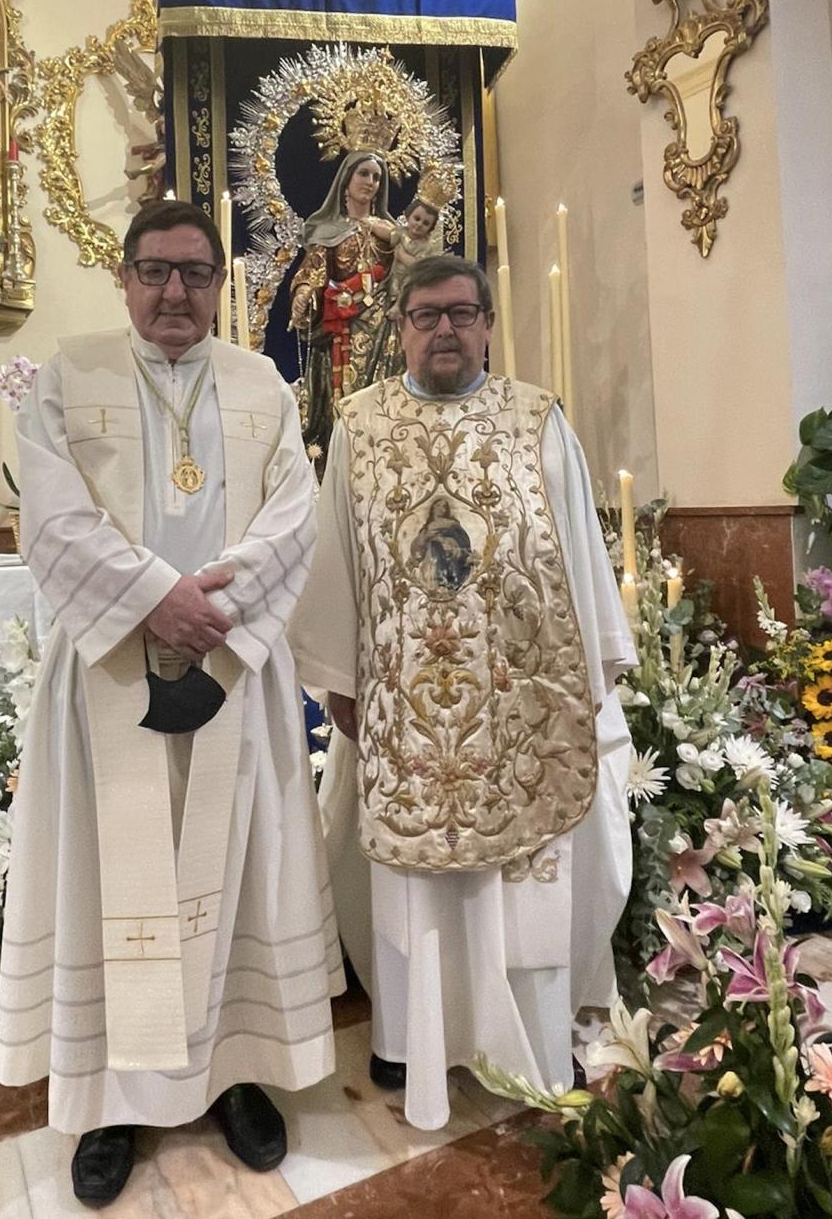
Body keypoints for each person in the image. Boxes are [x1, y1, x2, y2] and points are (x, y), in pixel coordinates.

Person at [0, 199, 344, 1207]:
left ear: (221, 281)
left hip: (234, 664)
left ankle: (234, 1071)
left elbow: (295, 516)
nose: (174, 291)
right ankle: (109, 1096)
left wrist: (209, 611)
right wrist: (158, 597)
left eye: (195, 272)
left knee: (236, 868)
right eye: (155, 271)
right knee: (111, 879)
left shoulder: (262, 385)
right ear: (124, 274)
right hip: (109, 667)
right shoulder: (70, 373)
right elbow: (51, 518)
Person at [290, 253, 636, 1132]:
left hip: (523, 701)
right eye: (423, 315)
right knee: (416, 881)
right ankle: (414, 1038)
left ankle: (531, 1032)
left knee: (525, 878)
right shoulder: (360, 428)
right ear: (398, 327)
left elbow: (579, 556)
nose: (442, 329)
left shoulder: (537, 422)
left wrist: (594, 666)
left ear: (486, 323)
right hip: (406, 706)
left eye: (460, 313)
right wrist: (336, 676)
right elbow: (334, 555)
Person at [288, 149, 396, 459]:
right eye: (364, 173)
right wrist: (304, 292)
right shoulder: (329, 232)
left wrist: (396, 239)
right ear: (345, 180)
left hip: (387, 332)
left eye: (377, 177)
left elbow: (412, 265)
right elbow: (315, 268)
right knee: (348, 400)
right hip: (345, 329)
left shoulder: (388, 233)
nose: (371, 182)